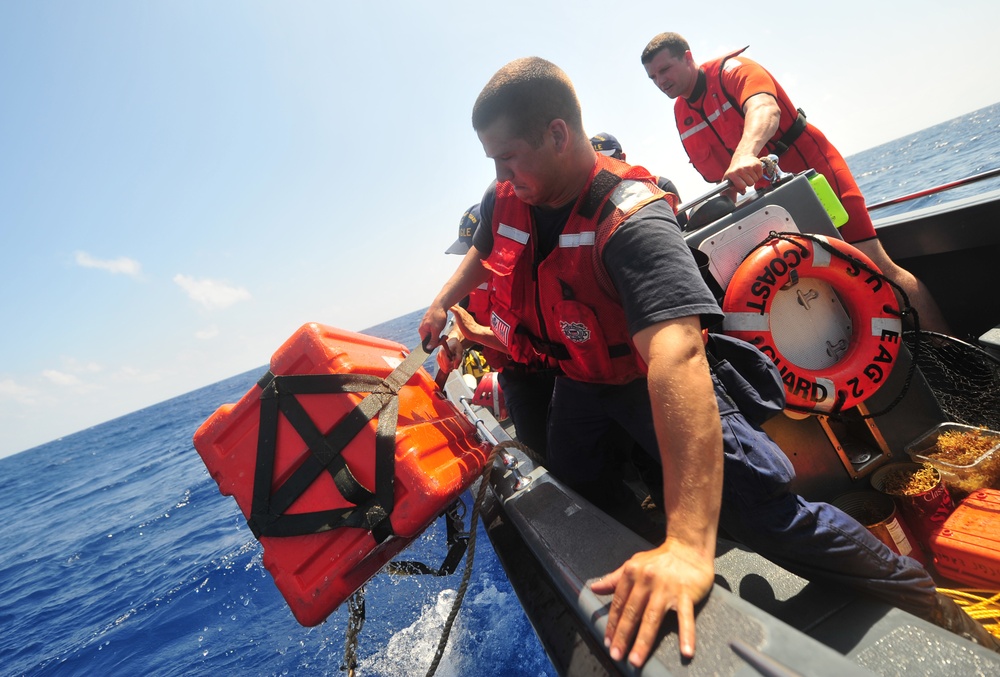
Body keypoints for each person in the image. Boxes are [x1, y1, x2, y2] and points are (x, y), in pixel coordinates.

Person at [419, 57, 996, 667]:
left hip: (649, 382)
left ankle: (926, 602)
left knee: (769, 515)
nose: (500, 174)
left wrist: (690, 545)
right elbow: (485, 250)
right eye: (492, 160)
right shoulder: (507, 193)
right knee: (575, 483)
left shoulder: (632, 219)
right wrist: (439, 305)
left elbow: (678, 353)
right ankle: (633, 583)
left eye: (508, 156)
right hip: (580, 384)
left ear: (558, 133)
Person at [639, 32, 951, 334]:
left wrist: (746, 153)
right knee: (823, 281)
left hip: (814, 173)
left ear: (688, 58)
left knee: (877, 268)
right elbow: (730, 182)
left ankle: (954, 355)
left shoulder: (734, 71)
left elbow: (764, 108)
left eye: (665, 69)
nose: (660, 81)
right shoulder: (682, 113)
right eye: (653, 78)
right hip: (772, 201)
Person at [443, 204, 558, 456]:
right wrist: (455, 339)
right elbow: (465, 318)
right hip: (517, 380)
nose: (471, 263)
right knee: (535, 450)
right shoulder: (474, 287)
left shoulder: (535, 271)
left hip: (559, 371)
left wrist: (474, 333)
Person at [590, 131, 681, 199]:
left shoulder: (660, 186)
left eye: (609, 160)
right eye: (597, 164)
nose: (603, 168)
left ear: (622, 157)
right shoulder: (587, 209)